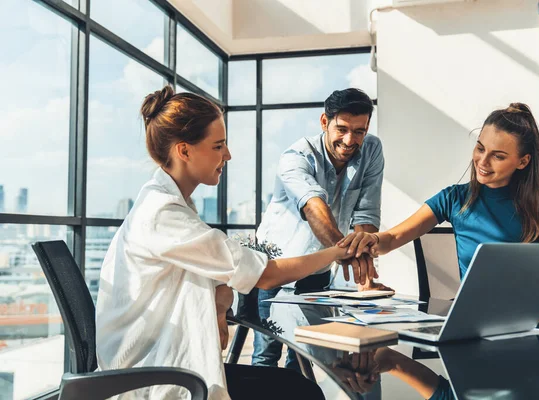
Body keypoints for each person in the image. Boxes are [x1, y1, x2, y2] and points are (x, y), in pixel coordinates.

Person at [95, 85, 354, 400]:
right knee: (300, 392)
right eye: (218, 146)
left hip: (162, 366)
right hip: (151, 379)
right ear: (184, 150)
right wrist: (337, 251)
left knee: (296, 386)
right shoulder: (162, 214)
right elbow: (266, 274)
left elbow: (218, 279)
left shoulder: (169, 204)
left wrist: (219, 306)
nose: (227, 155)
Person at [338, 103, 539, 312]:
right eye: (480, 148)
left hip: (523, 322)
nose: (483, 162)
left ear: (523, 161)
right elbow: (393, 237)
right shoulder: (454, 198)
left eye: (497, 156)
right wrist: (371, 241)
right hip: (470, 322)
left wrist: (513, 312)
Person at [250, 88, 392, 369]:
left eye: (359, 131)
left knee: (306, 355)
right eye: (342, 129)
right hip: (276, 266)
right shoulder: (296, 157)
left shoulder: (371, 149)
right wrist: (348, 253)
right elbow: (315, 209)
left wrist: (364, 270)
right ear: (324, 122)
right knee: (267, 354)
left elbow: (366, 214)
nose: (350, 140)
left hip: (319, 268)